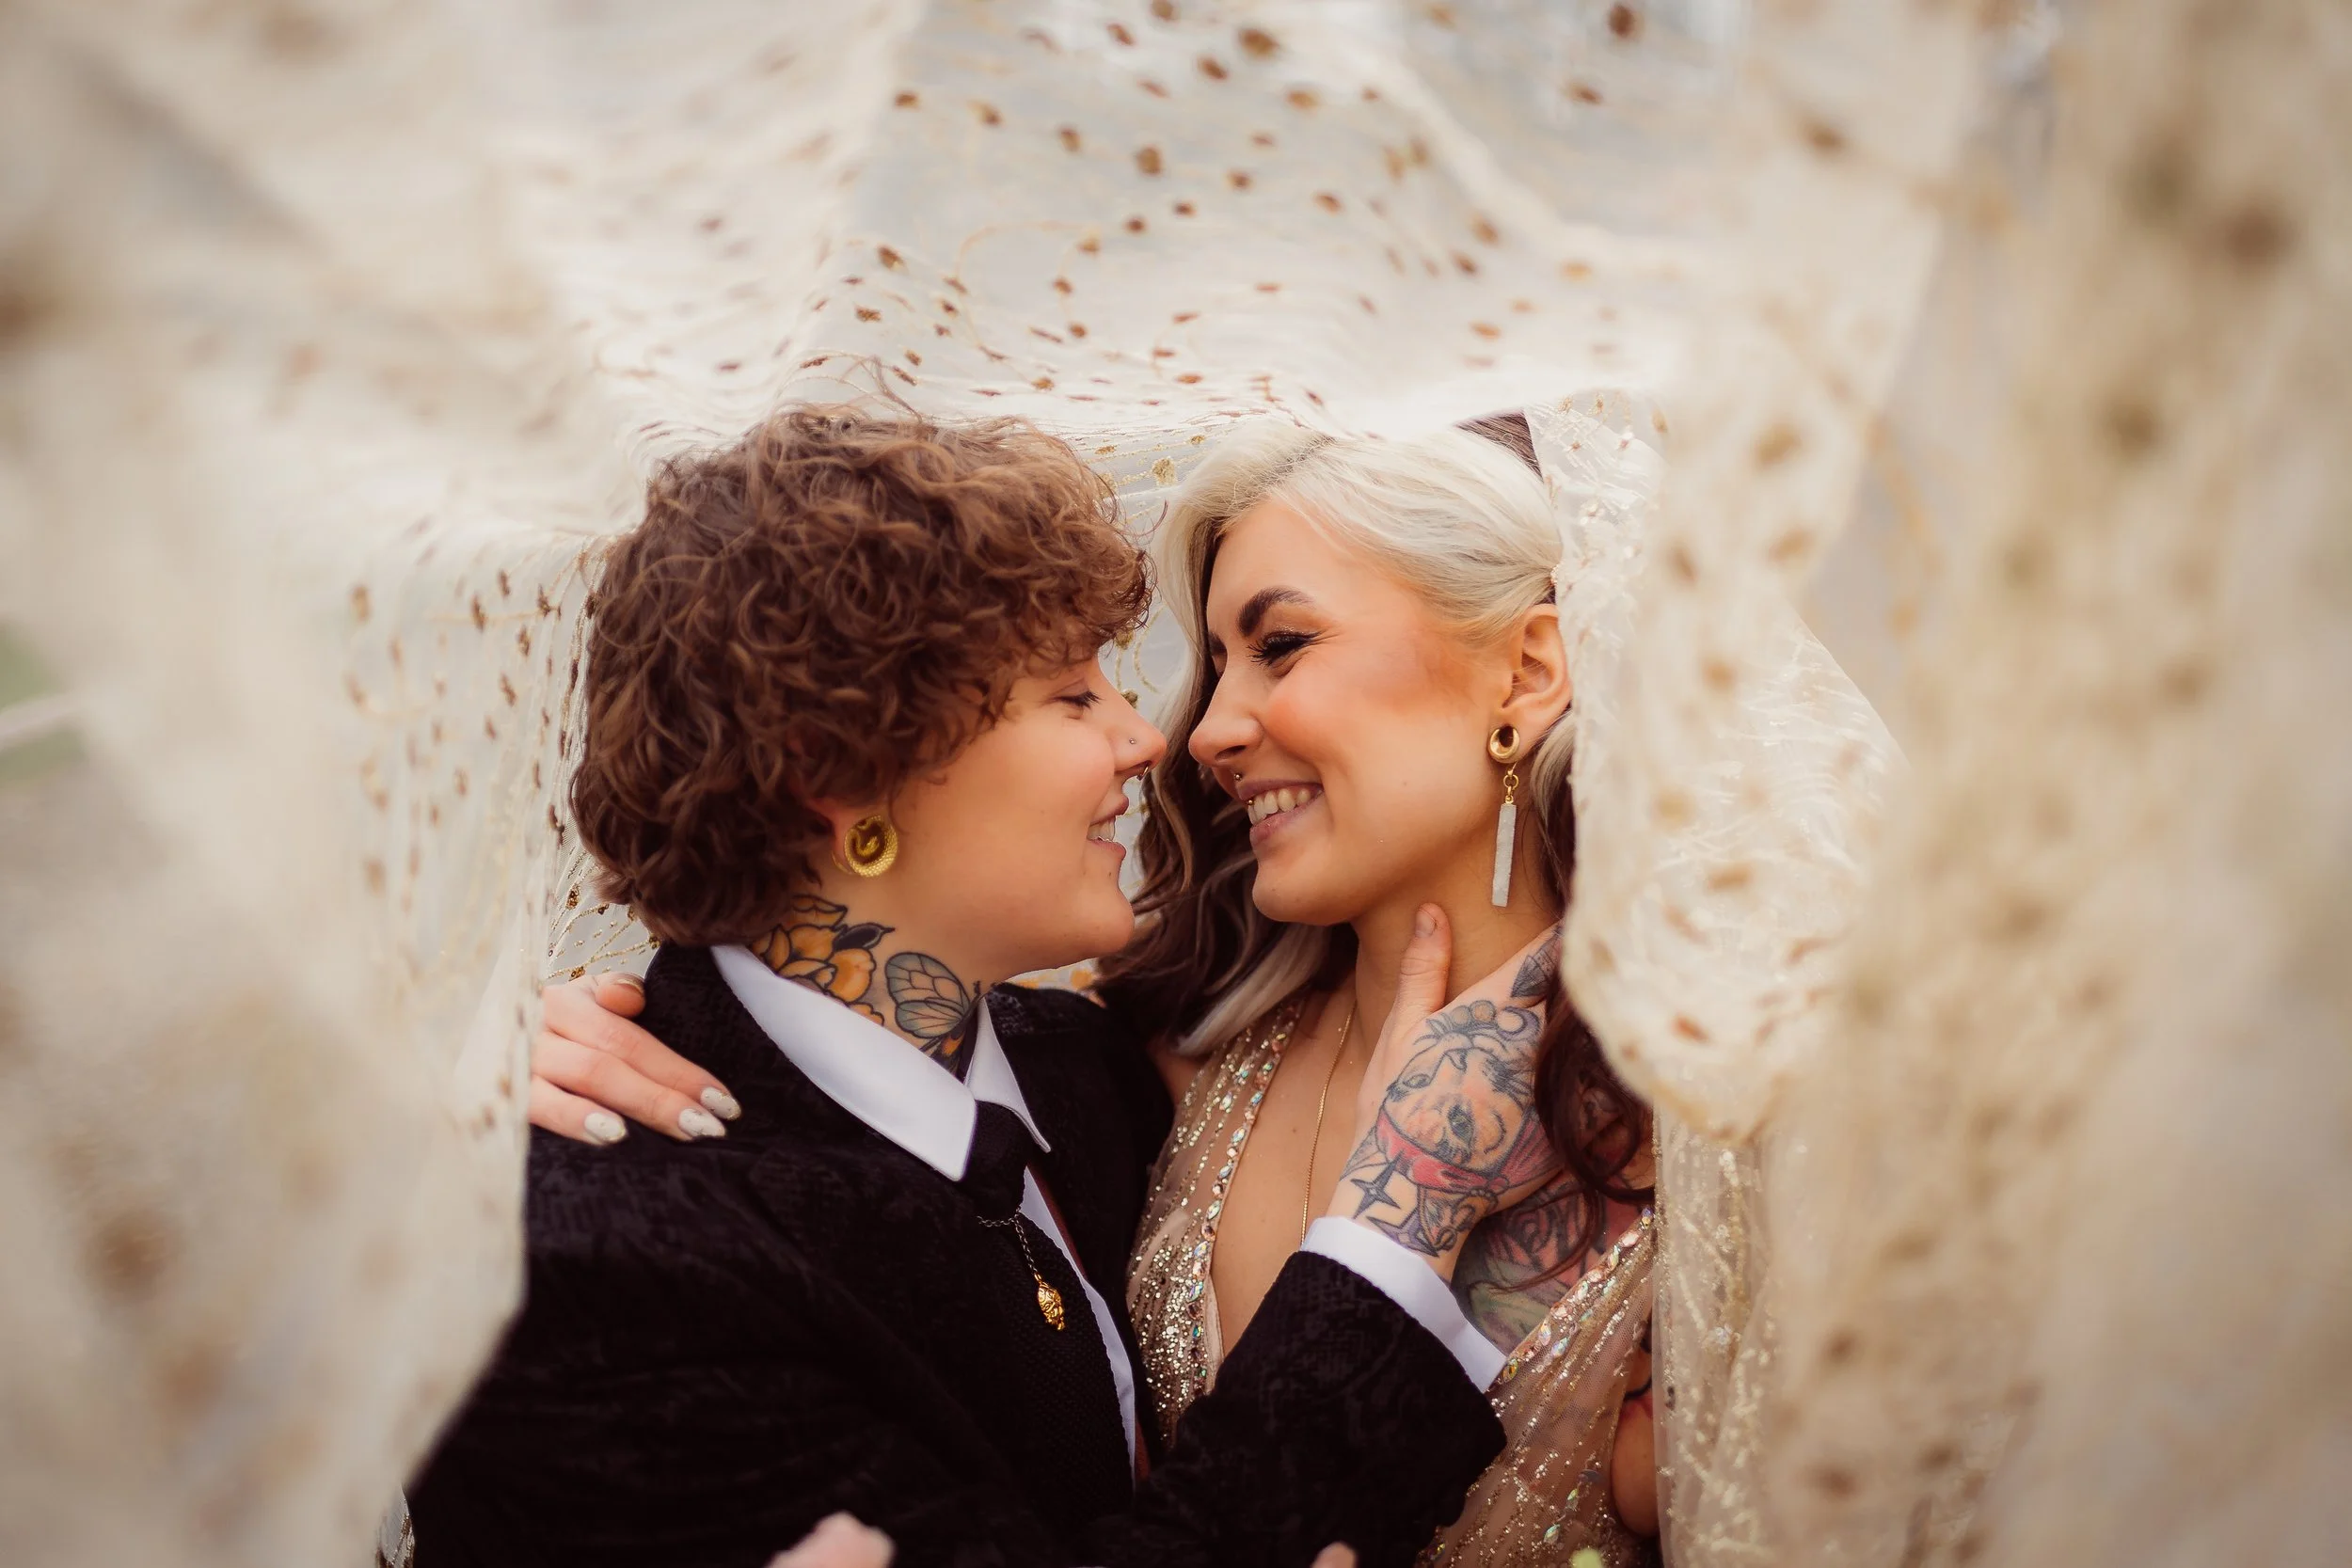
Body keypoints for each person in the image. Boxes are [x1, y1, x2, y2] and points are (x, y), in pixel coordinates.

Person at [409, 404, 1549, 1568]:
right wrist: (1390, 1222)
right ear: (843, 772)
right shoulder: (572, 1257)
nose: (1151, 738)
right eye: (1070, 696)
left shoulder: (1092, 1074)